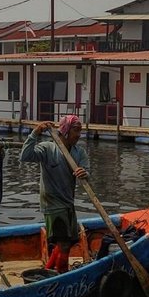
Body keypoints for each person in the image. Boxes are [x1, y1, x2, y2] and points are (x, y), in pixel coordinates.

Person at [20, 114, 90, 273]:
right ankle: (61, 275)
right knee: (64, 244)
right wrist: (36, 133)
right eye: (76, 131)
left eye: (80, 131)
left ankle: (47, 270)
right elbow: (25, 156)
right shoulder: (47, 149)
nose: (79, 135)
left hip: (68, 203)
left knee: (69, 241)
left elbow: (87, 173)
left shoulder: (79, 153)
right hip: (52, 204)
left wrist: (84, 173)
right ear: (65, 131)